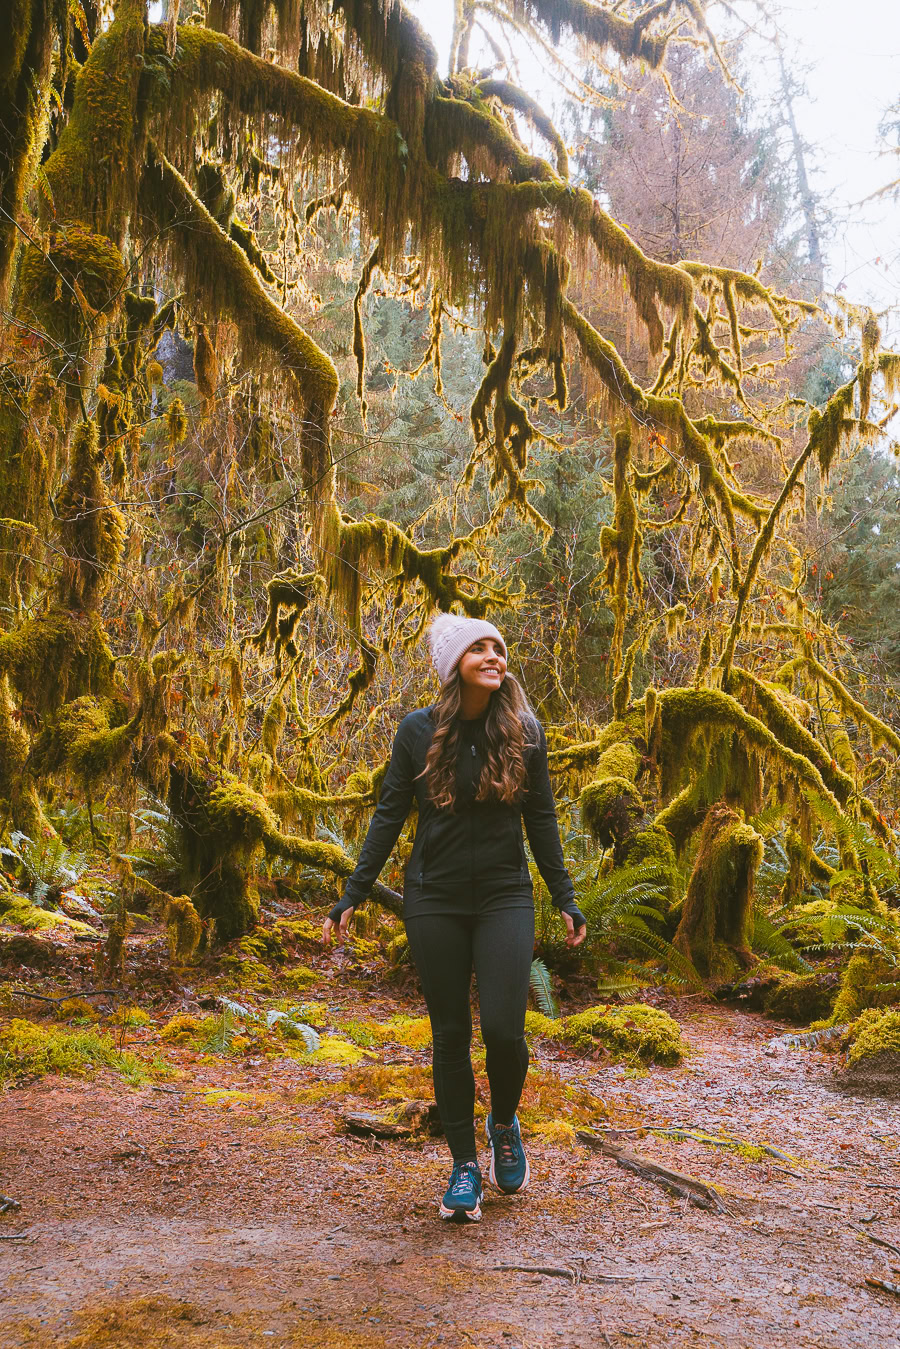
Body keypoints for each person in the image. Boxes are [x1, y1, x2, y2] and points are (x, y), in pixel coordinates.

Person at [322, 614, 586, 1222]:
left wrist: (565, 897)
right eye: (480, 648)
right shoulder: (417, 732)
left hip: (504, 897)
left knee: (503, 1029)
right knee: (449, 1035)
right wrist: (354, 890)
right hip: (434, 898)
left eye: (499, 647)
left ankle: (503, 1122)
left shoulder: (525, 732)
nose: (495, 656)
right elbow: (389, 813)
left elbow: (541, 820)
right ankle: (463, 1164)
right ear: (453, 664)